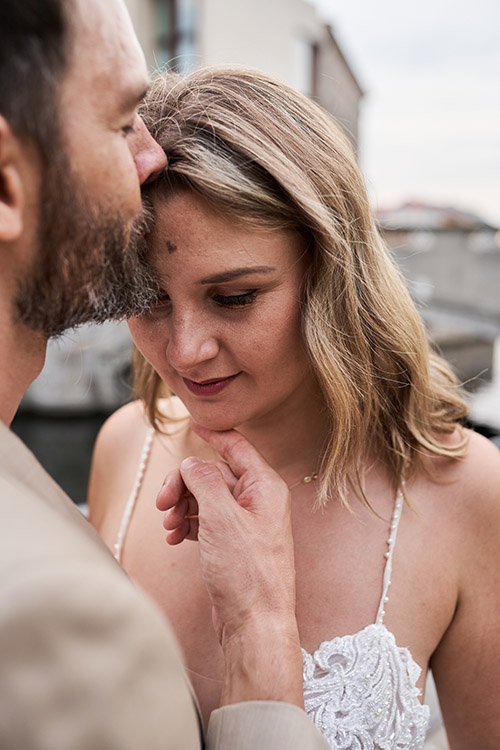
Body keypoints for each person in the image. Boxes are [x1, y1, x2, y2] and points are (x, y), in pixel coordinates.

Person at [88, 67, 500, 750]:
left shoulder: (464, 490)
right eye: (149, 301)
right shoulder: (124, 445)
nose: (186, 350)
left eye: (235, 297)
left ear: (332, 276)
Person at [0, 3, 329, 748]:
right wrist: (260, 637)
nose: (150, 155)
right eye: (121, 122)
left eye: (236, 297)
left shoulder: (466, 494)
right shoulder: (48, 599)